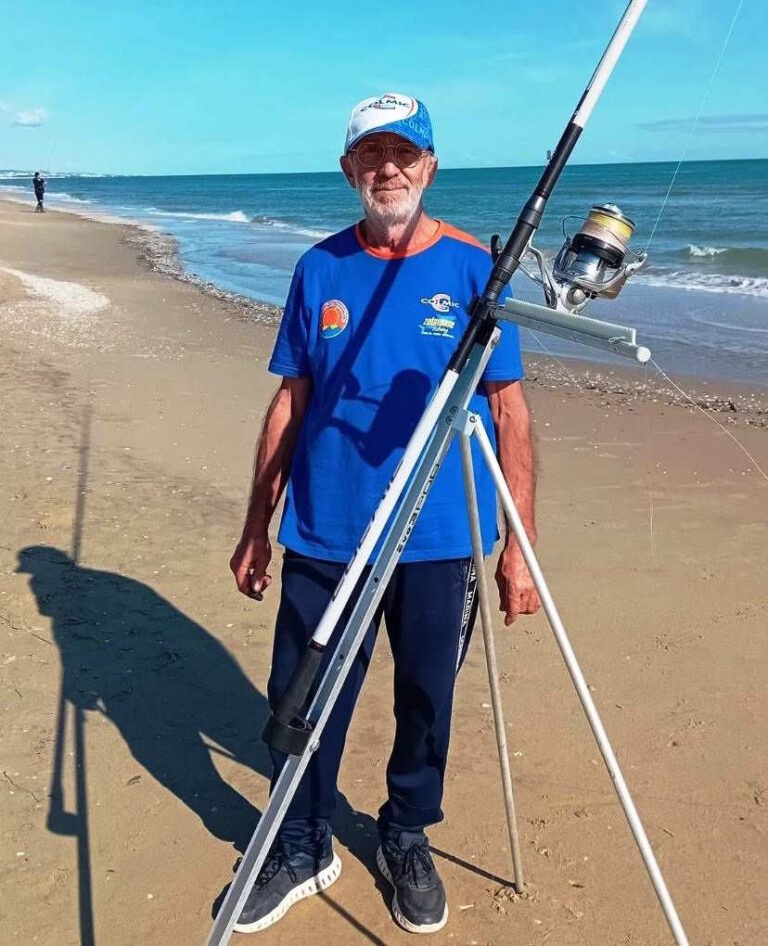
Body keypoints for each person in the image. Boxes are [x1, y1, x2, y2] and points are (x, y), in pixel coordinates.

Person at [228, 92, 540, 935]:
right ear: (349, 171)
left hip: (438, 538)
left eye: (405, 155)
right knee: (302, 700)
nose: (389, 169)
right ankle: (301, 842)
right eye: (372, 156)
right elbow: (291, 403)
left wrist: (519, 549)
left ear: (430, 167)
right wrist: (258, 523)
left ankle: (405, 834)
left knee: (426, 700)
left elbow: (509, 411)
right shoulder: (318, 269)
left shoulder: (478, 272)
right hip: (328, 532)